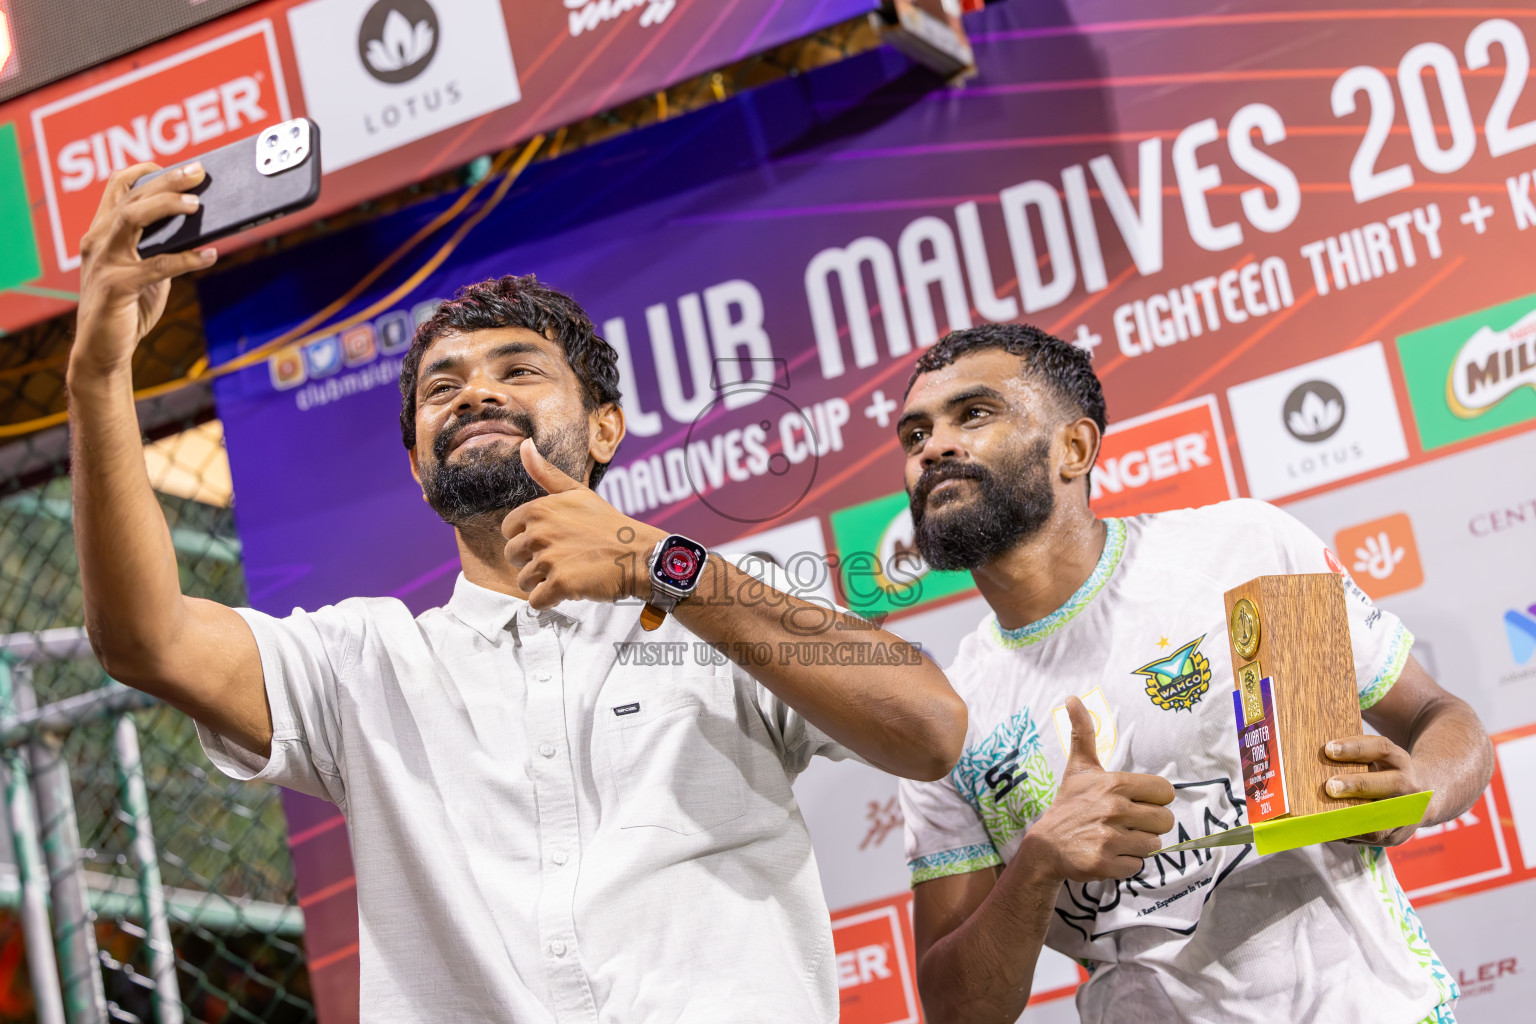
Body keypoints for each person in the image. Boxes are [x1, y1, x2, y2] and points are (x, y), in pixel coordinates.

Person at [67, 162, 968, 1023]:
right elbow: (146, 642)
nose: (474, 395)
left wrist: (658, 565)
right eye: (442, 389)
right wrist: (99, 374)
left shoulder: (724, 605)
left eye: (518, 371)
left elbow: (928, 730)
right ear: (419, 467)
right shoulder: (366, 664)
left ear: (606, 427)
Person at [893, 323, 1493, 1024]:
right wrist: (1038, 863)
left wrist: (1420, 786)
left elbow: (1441, 721)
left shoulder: (1238, 550)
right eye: (913, 436)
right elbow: (957, 1011)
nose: (933, 447)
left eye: (973, 414)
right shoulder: (943, 714)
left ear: (1074, 448)